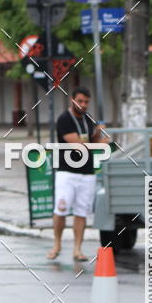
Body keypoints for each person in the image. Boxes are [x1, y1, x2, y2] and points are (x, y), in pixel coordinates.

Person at [49, 86, 109, 261]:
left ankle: (77, 249)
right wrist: (99, 145)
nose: (83, 105)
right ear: (73, 100)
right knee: (61, 209)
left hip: (87, 172)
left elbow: (93, 141)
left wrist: (100, 134)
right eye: (80, 101)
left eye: (87, 102)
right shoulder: (64, 119)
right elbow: (79, 145)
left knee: (82, 212)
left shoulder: (88, 119)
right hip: (67, 172)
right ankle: (57, 244)